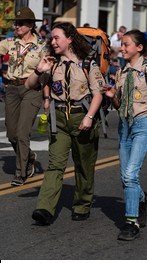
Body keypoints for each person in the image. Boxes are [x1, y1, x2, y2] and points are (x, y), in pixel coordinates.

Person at [25, 22, 105, 225]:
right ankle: (44, 208)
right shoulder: (52, 63)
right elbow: (29, 85)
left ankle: (81, 204)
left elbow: (98, 94)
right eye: (51, 38)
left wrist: (89, 117)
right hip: (58, 119)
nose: (53, 41)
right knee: (55, 165)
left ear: (69, 39)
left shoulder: (88, 64)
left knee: (84, 165)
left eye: (56, 37)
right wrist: (39, 69)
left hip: (82, 117)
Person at [104, 29, 147, 241]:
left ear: (139, 48)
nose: (122, 48)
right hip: (124, 126)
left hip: (143, 124)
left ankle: (131, 223)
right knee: (126, 177)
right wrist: (112, 96)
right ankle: (141, 198)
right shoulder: (122, 73)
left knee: (130, 175)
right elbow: (119, 104)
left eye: (126, 45)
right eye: (121, 44)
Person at [0, 7, 48, 186]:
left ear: (30, 25)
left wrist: (46, 97)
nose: (17, 26)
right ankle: (29, 156)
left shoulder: (42, 46)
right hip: (12, 90)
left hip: (31, 90)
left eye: (20, 23)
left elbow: (46, 74)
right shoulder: (11, 43)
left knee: (22, 133)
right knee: (12, 133)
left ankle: (22, 171)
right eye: (16, 23)